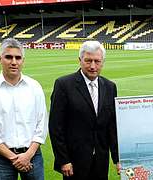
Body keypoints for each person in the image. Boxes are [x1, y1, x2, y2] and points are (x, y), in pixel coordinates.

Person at [49, 40, 120, 179]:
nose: (93, 66)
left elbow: (112, 125)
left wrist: (117, 158)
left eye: (97, 61)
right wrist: (63, 160)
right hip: (74, 162)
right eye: (88, 61)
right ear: (80, 60)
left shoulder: (110, 87)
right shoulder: (63, 85)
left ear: (103, 62)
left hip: (101, 160)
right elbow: (55, 126)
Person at [0, 38, 48, 180]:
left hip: (32, 156)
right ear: (0, 59)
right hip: (1, 159)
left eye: (18, 57)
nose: (14, 62)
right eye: (8, 57)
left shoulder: (35, 87)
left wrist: (28, 155)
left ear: (23, 60)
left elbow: (42, 123)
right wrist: (15, 158)